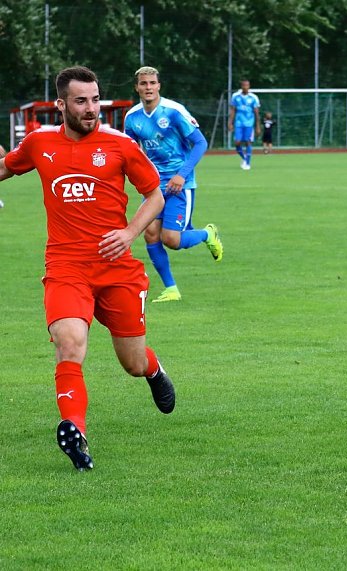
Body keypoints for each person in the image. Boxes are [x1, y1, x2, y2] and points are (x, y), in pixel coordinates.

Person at [0, 66, 177, 471]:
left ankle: (153, 371)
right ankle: (74, 432)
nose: (91, 108)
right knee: (69, 343)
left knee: (131, 363)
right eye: (81, 101)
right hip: (65, 266)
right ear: (61, 104)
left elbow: (153, 195)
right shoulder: (40, 142)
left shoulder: (121, 145)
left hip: (117, 268)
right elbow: (7, 167)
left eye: (96, 99)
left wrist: (130, 233)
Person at [125, 66, 223, 303]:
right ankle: (171, 289)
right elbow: (130, 151)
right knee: (150, 235)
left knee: (171, 240)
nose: (148, 87)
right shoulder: (132, 118)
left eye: (152, 83)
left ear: (159, 85)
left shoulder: (174, 111)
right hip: (154, 186)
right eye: (143, 83)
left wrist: (181, 175)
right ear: (137, 87)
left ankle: (207, 234)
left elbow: (200, 143)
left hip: (181, 185)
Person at [229, 79, 261, 170]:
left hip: (249, 123)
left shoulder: (253, 97)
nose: (245, 87)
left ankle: (247, 163)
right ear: (241, 86)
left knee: (248, 142)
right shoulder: (235, 96)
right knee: (237, 142)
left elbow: (256, 112)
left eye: (247, 85)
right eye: (244, 85)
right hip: (238, 123)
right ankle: (244, 158)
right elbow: (233, 110)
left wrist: (258, 126)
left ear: (249, 86)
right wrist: (230, 123)